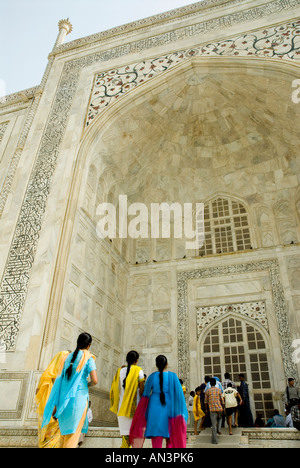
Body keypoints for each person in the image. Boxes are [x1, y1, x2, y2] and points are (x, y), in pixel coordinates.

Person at [42, 333, 97, 448]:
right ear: (89, 345)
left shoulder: (66, 358)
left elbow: (59, 382)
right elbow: (95, 380)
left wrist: (56, 406)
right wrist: (87, 384)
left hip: (63, 402)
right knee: (72, 437)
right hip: (78, 401)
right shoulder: (88, 357)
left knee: (64, 437)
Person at [129, 355, 188, 448]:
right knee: (170, 436)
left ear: (156, 364)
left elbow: (145, 395)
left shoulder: (152, 377)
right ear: (167, 364)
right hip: (169, 408)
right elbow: (179, 396)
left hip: (154, 407)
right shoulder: (173, 376)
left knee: (156, 437)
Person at [110, 350, 145, 448]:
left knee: (125, 441)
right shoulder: (139, 371)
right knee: (136, 441)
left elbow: (114, 389)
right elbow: (142, 391)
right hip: (134, 411)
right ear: (137, 360)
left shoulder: (119, 371)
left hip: (122, 410)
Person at [35, 350, 70, 448]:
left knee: (46, 441)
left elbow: (37, 392)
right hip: (55, 415)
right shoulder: (59, 378)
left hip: (45, 414)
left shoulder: (46, 376)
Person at [204, 378, 224, 445]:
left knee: (213, 425)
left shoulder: (208, 391)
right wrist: (223, 408)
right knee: (220, 418)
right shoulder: (219, 390)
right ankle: (219, 429)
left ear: (210, 384)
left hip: (212, 409)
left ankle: (215, 440)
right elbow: (222, 400)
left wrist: (206, 410)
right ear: (215, 383)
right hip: (219, 408)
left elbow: (205, 402)